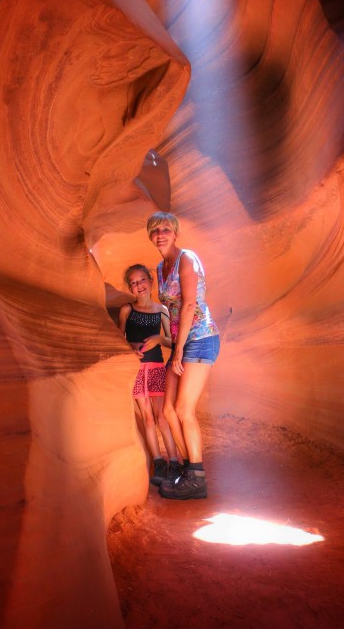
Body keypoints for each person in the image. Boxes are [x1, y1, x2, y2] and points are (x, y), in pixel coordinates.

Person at [147, 211, 220, 500]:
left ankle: (197, 478)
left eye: (165, 229)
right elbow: (169, 310)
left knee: (183, 409)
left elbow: (189, 305)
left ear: (175, 233)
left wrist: (176, 351)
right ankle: (189, 471)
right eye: (154, 231)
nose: (160, 234)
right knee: (167, 411)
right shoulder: (159, 267)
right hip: (181, 343)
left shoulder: (186, 259)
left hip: (200, 339)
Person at [119, 264, 179, 486]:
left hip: (155, 368)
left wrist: (158, 340)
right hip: (135, 369)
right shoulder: (127, 310)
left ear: (151, 281)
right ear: (130, 287)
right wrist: (131, 345)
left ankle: (173, 459)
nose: (138, 285)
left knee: (161, 416)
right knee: (147, 417)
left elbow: (172, 340)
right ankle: (158, 461)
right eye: (133, 283)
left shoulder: (161, 310)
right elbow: (119, 338)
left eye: (142, 280)